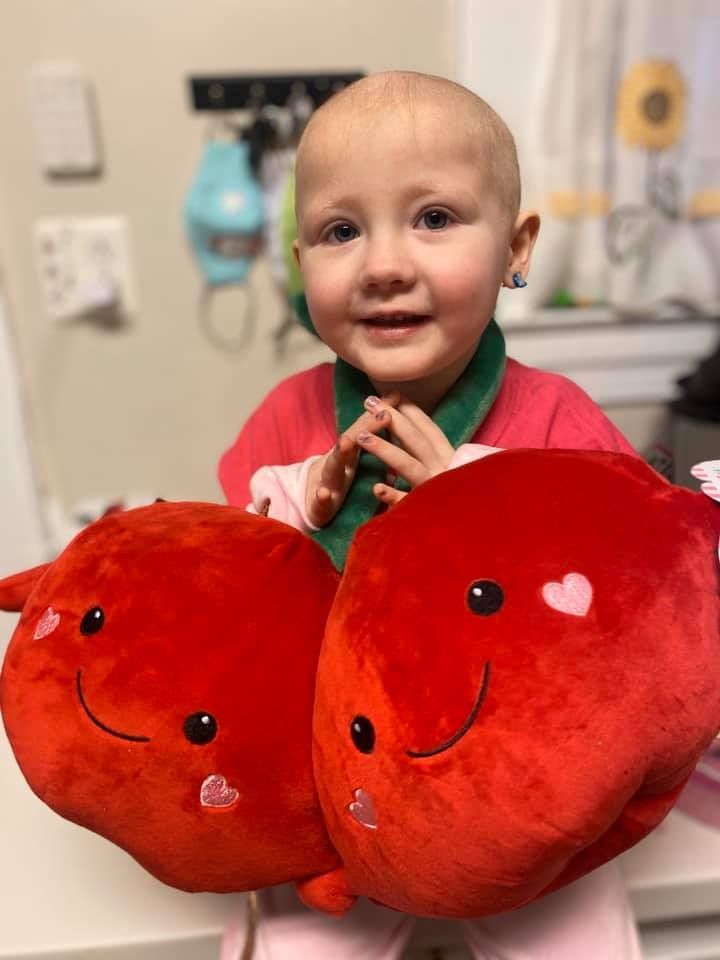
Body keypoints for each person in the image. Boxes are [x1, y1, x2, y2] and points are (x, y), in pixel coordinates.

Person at [218, 71, 641, 960]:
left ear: (517, 247)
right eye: (341, 230)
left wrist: (479, 500)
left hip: (521, 775)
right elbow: (237, 610)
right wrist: (297, 514)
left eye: (435, 218)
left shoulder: (561, 418)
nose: (383, 265)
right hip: (347, 775)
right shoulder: (287, 421)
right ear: (303, 268)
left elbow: (630, 601)